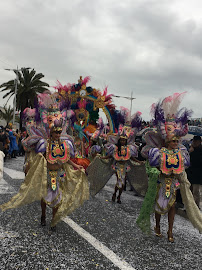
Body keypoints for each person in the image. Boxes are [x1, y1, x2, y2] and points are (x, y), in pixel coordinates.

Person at [0, 92, 89, 231]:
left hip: (59, 174)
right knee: (44, 196)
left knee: (57, 198)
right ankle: (43, 215)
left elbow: (65, 159)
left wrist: (76, 165)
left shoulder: (65, 145)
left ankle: (53, 219)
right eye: (55, 132)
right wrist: (31, 165)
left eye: (59, 132)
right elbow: (38, 157)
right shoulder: (44, 144)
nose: (58, 134)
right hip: (47, 173)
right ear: (51, 132)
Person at [137, 92, 202, 241]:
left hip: (174, 184)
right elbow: (153, 164)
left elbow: (185, 165)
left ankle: (170, 232)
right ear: (167, 141)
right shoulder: (158, 152)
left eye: (177, 141)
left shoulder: (182, 152)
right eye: (173, 141)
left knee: (172, 207)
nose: (176, 143)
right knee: (159, 207)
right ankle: (158, 226)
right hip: (161, 182)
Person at [187, 135, 202, 208]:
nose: (194, 143)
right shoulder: (191, 149)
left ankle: (196, 207)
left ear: (200, 142)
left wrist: (192, 152)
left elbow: (197, 161)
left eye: (196, 141)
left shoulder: (199, 150)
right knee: (190, 191)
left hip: (198, 175)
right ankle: (190, 206)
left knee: (196, 192)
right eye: (194, 141)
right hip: (191, 174)